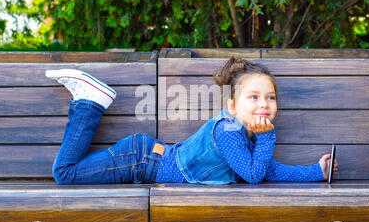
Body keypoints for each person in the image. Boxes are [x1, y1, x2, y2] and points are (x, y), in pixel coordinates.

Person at [46, 57, 338, 185]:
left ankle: (90, 102)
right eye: (254, 97)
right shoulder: (227, 131)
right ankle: (89, 103)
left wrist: (316, 171)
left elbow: (268, 171)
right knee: (65, 173)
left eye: (271, 97)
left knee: (67, 172)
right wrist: (267, 137)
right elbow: (253, 175)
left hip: (146, 160)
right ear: (232, 106)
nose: (264, 103)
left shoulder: (246, 138)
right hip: (139, 159)